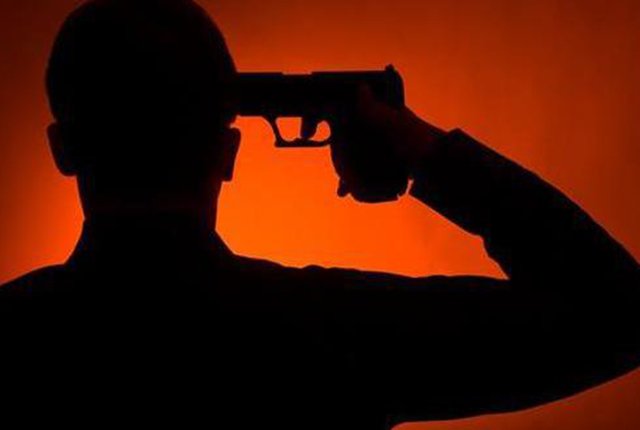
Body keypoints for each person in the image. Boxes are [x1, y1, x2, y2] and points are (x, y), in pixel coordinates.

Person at [1, 0, 639, 428]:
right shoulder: (334, 329)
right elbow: (620, 317)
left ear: (63, 149)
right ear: (228, 152)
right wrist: (424, 149)